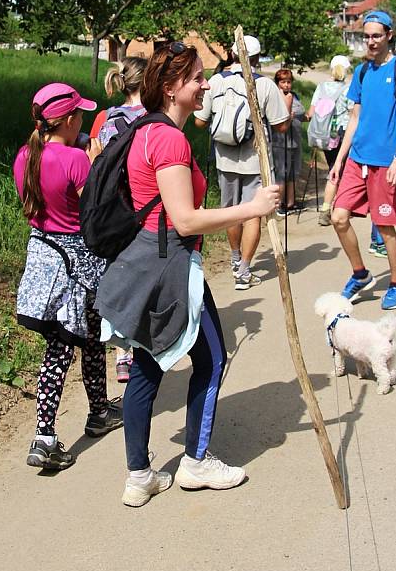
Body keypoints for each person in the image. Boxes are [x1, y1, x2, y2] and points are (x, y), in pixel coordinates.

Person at [94, 42, 279, 507]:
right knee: (212, 360)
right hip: (172, 265)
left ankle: (139, 477)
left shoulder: (145, 129)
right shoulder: (170, 139)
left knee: (147, 368)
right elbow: (186, 220)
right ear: (173, 86)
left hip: (143, 263)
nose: (206, 84)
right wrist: (252, 207)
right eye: (198, 77)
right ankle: (195, 463)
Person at [14, 83, 123, 471]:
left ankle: (99, 410)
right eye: (79, 114)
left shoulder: (26, 155)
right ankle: (44, 437)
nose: (82, 119)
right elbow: (96, 208)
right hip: (76, 265)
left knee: (90, 336)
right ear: (69, 119)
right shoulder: (75, 159)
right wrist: (96, 164)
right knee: (61, 349)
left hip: (43, 260)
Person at [329, 10, 396, 309]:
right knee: (338, 217)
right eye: (366, 36)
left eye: (376, 36)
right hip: (357, 160)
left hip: (385, 162)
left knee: (384, 227)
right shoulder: (362, 71)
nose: (370, 41)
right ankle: (360, 274)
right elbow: (354, 118)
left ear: (389, 35)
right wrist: (339, 161)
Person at [194, 35, 289, 290]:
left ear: (232, 54)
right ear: (257, 58)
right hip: (255, 160)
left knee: (231, 210)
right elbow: (281, 125)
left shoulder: (215, 81)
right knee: (253, 213)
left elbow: (199, 122)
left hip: (224, 159)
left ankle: (235, 260)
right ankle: (244, 271)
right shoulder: (265, 85)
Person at [90, 56, 148, 382]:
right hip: (144, 209)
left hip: (114, 209)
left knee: (118, 275)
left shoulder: (105, 118)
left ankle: (121, 354)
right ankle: (142, 348)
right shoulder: (153, 119)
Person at [307, 55, 352, 226]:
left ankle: (330, 208)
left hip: (324, 136)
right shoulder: (348, 89)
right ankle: (331, 209)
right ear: (346, 70)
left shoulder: (321, 87)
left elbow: (311, 113)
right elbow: (352, 115)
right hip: (341, 135)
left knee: (333, 168)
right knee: (339, 171)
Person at [272, 68, 307, 216]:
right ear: (277, 83)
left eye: (288, 82)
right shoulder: (275, 98)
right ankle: (279, 204)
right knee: (281, 173)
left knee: (293, 172)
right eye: (283, 82)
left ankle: (291, 203)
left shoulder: (295, 96)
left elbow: (302, 114)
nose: (286, 85)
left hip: (295, 140)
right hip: (280, 142)